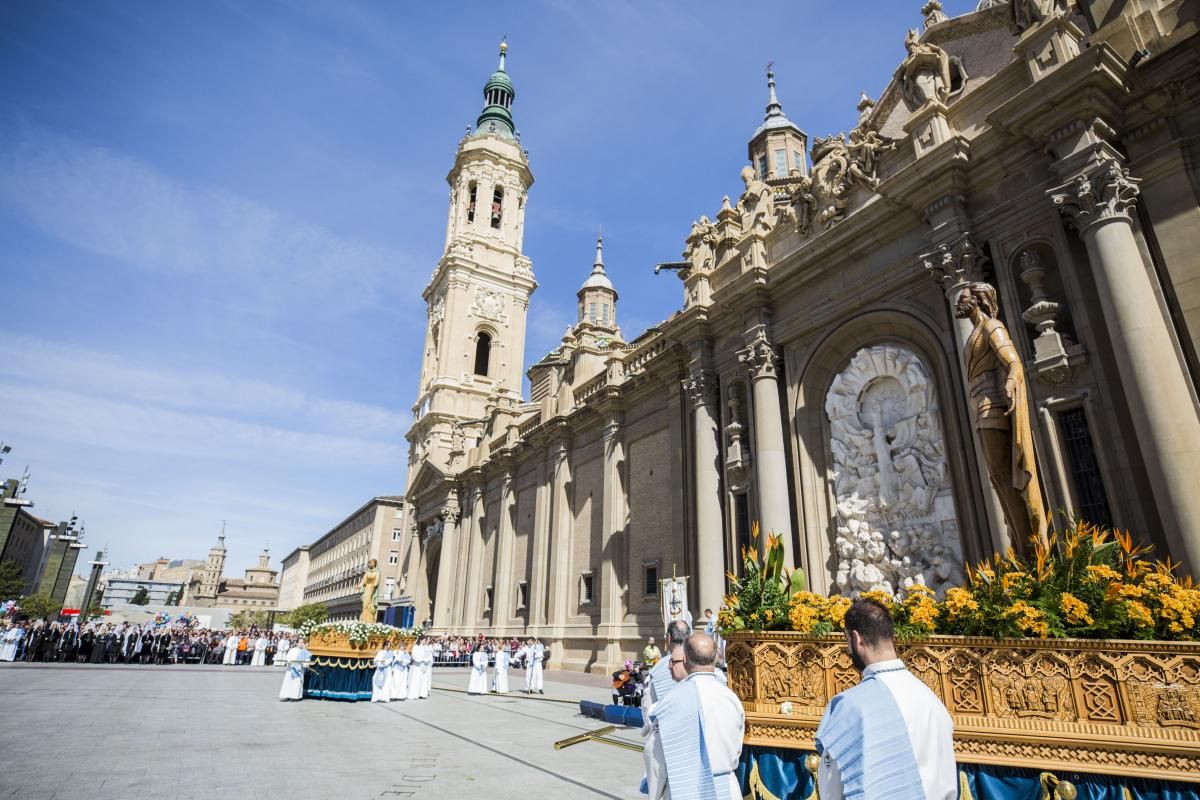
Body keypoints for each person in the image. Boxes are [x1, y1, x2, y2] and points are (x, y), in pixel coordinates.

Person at [814, 598, 956, 800]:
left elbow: (833, 789)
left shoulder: (850, 707)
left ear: (857, 639)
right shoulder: (932, 700)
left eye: (847, 641)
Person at [647, 634, 744, 799]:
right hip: (727, 789)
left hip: (684, 788)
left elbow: (655, 759)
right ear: (715, 657)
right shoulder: (731, 698)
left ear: (685, 659)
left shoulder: (670, 701)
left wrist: (654, 796)